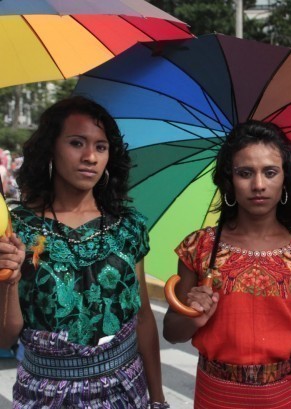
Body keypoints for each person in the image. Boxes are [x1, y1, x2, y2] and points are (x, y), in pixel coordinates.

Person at [0, 96, 167, 408]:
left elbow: (143, 318)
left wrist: (157, 398)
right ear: (51, 148)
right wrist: (8, 279)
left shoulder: (127, 228)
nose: (90, 156)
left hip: (124, 392)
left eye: (101, 147)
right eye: (77, 143)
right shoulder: (16, 231)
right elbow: (5, 338)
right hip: (44, 396)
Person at [162, 120, 291, 409]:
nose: (258, 185)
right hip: (216, 398)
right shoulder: (198, 249)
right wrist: (193, 317)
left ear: (285, 179)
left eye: (270, 172)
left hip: (287, 399)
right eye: (245, 173)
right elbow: (171, 332)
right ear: (229, 180)